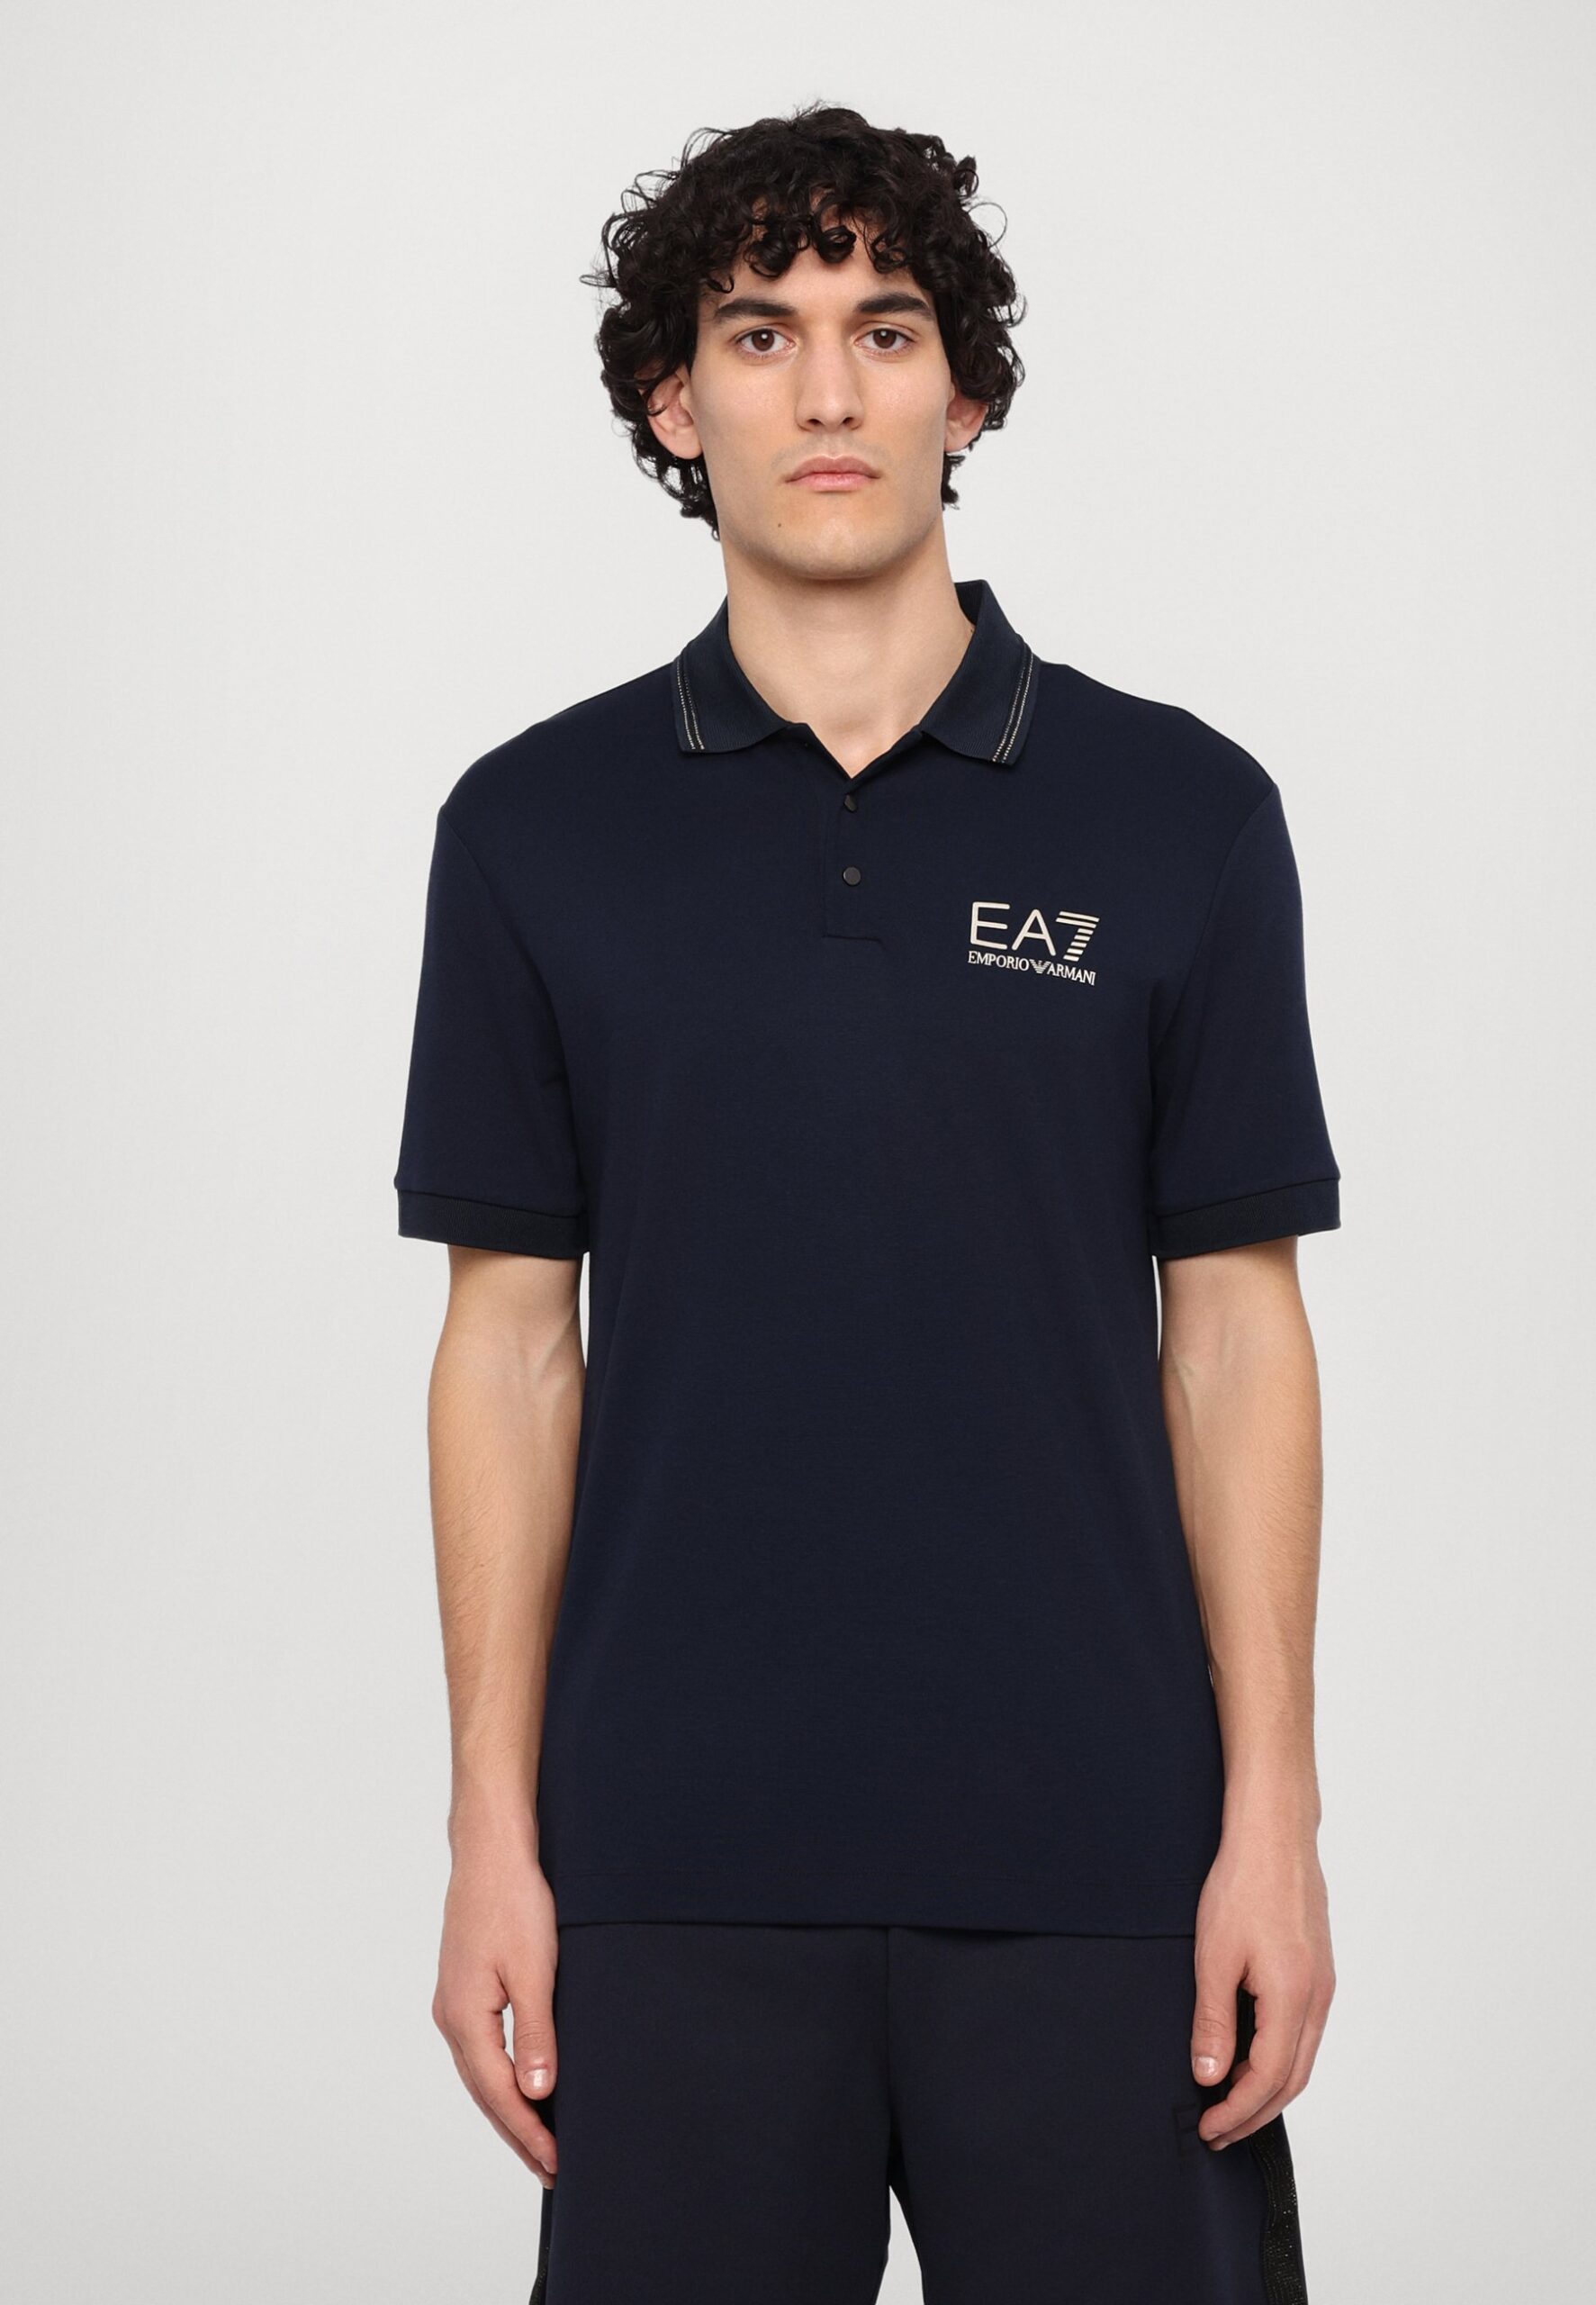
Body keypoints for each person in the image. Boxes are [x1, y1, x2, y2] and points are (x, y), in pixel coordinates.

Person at [393, 100, 1338, 2305]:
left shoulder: (1180, 814)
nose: (825, 390)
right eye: (760, 333)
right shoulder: (530, 830)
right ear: (674, 400)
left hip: (1105, 1862)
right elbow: (509, 1348)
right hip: (667, 1872)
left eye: (882, 328)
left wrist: (1271, 1817)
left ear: (963, 391)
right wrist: (490, 1832)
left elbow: (1232, 1331)